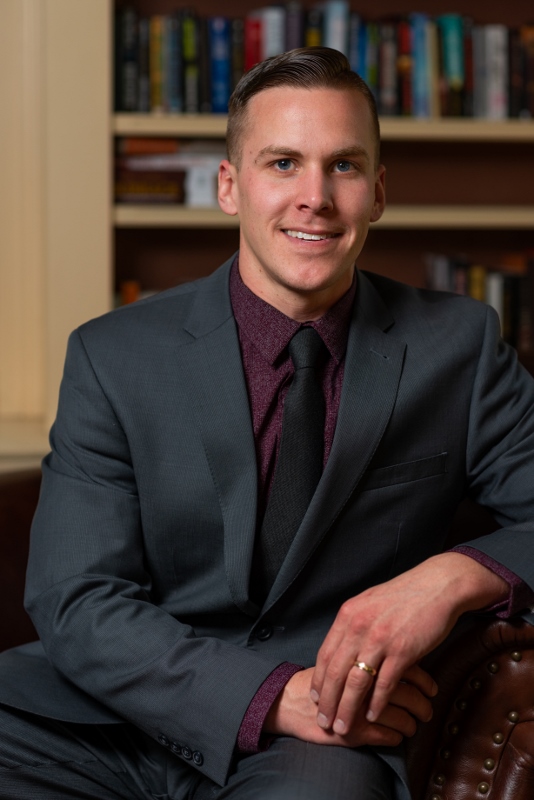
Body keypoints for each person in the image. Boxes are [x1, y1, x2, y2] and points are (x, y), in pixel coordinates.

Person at [0, 47, 533, 800]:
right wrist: (264, 696)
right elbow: (75, 597)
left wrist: (449, 579)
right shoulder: (112, 355)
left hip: (325, 733)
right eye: (283, 163)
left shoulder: (460, 346)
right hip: (104, 714)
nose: (315, 197)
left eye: (343, 166)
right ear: (230, 185)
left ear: (378, 192)